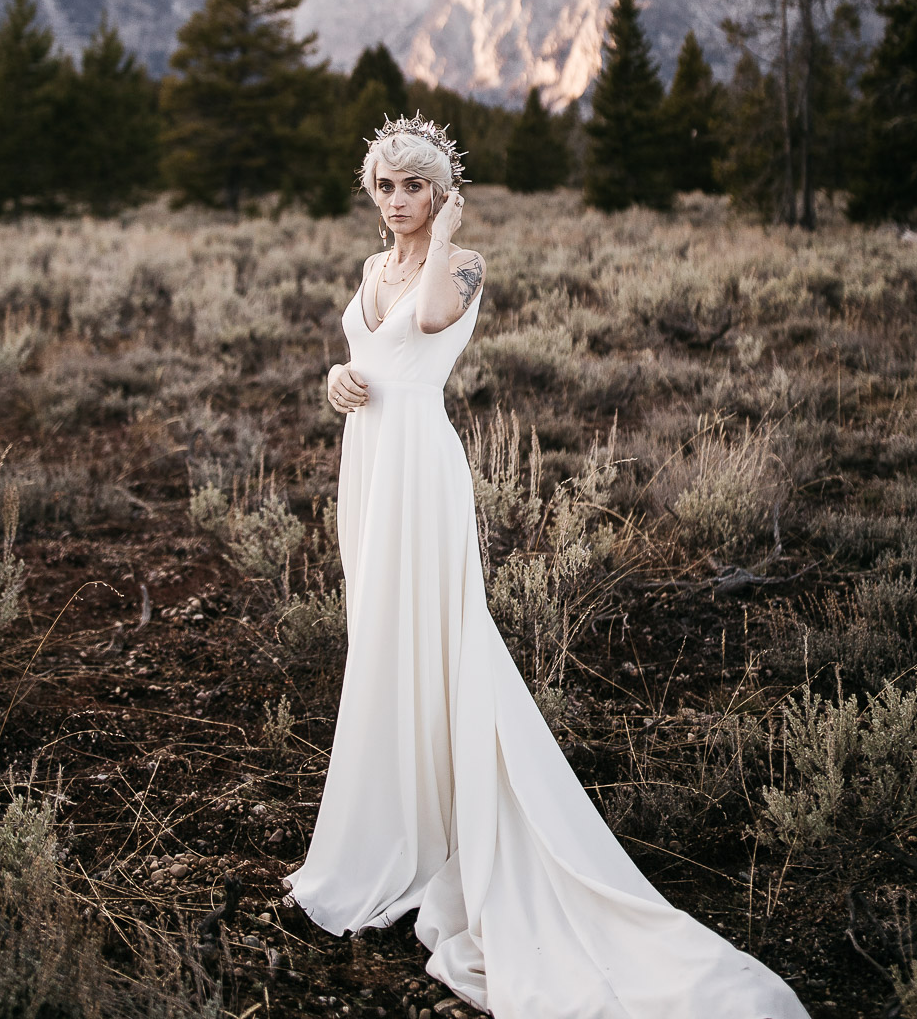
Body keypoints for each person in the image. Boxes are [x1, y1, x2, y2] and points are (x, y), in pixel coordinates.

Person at [286, 114, 808, 1019]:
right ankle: (388, 832)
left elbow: (437, 324)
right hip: (368, 462)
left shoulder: (465, 261)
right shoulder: (372, 271)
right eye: (388, 186)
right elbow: (373, 350)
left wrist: (448, 235)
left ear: (441, 191)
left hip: (420, 466)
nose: (401, 200)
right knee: (379, 639)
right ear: (371, 194)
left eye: (418, 185)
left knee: (439, 638)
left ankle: (471, 832)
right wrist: (338, 378)